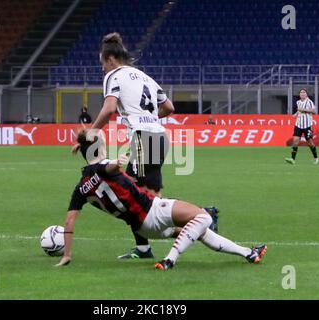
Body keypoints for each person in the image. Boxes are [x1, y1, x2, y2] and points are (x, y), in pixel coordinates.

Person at [86, 32, 219, 260]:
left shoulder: (114, 76)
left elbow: (109, 109)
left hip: (143, 137)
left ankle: (200, 218)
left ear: (109, 59)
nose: (102, 69)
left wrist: (92, 130)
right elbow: (169, 107)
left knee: (134, 198)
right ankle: (154, 244)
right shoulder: (144, 76)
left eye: (102, 63)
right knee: (148, 201)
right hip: (159, 136)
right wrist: (150, 118)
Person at [56, 129, 267, 270]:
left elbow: (69, 222)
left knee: (200, 231)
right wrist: (116, 164)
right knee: (203, 217)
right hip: (153, 210)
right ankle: (169, 260)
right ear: (98, 147)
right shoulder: (104, 166)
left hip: (142, 228)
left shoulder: (81, 186)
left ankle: (248, 253)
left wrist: (67, 254)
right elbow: (106, 167)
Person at [285, 89, 319, 165]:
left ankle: (316, 158)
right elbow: (299, 110)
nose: (302, 93)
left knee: (310, 143)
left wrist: (303, 110)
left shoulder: (309, 102)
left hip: (307, 125)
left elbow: (314, 112)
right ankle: (292, 159)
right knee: (295, 141)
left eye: (304, 92)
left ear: (306, 94)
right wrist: (296, 114)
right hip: (298, 124)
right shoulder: (298, 102)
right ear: (299, 94)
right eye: (301, 92)